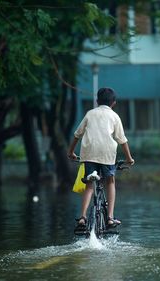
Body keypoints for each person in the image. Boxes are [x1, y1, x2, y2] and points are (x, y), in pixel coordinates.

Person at [67, 87, 134, 231]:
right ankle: (110, 217)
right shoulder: (115, 117)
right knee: (110, 181)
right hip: (107, 154)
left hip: (89, 153)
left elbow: (77, 135)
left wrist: (71, 152)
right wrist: (129, 158)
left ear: (97, 101)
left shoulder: (90, 114)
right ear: (113, 103)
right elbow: (122, 140)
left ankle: (83, 217)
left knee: (89, 184)